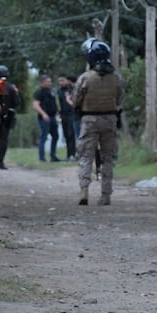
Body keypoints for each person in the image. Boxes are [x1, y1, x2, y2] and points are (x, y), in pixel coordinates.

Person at [73, 38, 125, 206]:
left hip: (89, 119)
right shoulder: (116, 77)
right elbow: (120, 99)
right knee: (108, 158)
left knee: (86, 156)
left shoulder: (85, 78)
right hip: (110, 119)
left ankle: (84, 191)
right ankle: (105, 195)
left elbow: (76, 100)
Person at [0, 64, 21, 169]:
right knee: (3, 139)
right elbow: (16, 103)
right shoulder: (12, 87)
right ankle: (0, 163)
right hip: (6, 118)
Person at [33, 74, 60, 162]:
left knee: (55, 136)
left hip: (52, 117)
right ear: (42, 83)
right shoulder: (39, 93)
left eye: (50, 81)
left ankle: (53, 156)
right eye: (48, 82)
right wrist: (43, 114)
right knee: (43, 137)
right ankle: (42, 158)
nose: (50, 83)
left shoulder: (51, 91)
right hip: (44, 118)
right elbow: (35, 105)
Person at [57, 74, 77, 161]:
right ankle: (69, 154)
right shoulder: (59, 91)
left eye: (62, 80)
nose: (61, 83)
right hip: (63, 115)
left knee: (71, 134)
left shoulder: (71, 89)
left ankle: (73, 154)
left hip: (72, 114)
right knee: (66, 135)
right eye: (59, 81)